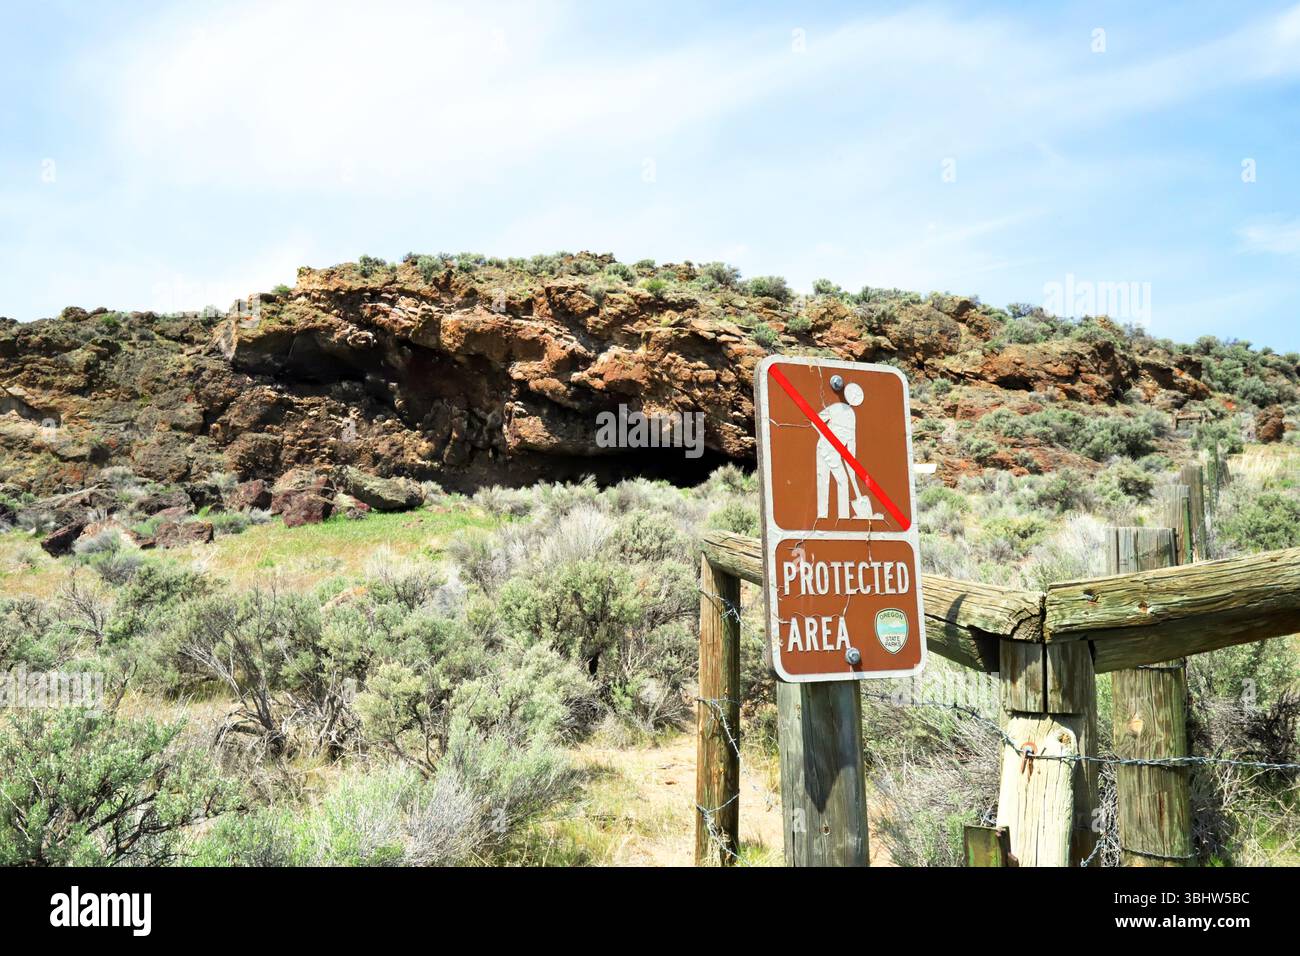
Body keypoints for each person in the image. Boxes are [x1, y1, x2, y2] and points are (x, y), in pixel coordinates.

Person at [816, 382, 873, 520]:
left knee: (842, 480)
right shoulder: (836, 408)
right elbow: (815, 420)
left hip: (834, 452)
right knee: (827, 479)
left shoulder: (852, 417)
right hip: (824, 448)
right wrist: (825, 437)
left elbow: (851, 446)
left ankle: (842, 517)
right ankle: (826, 516)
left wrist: (852, 470)